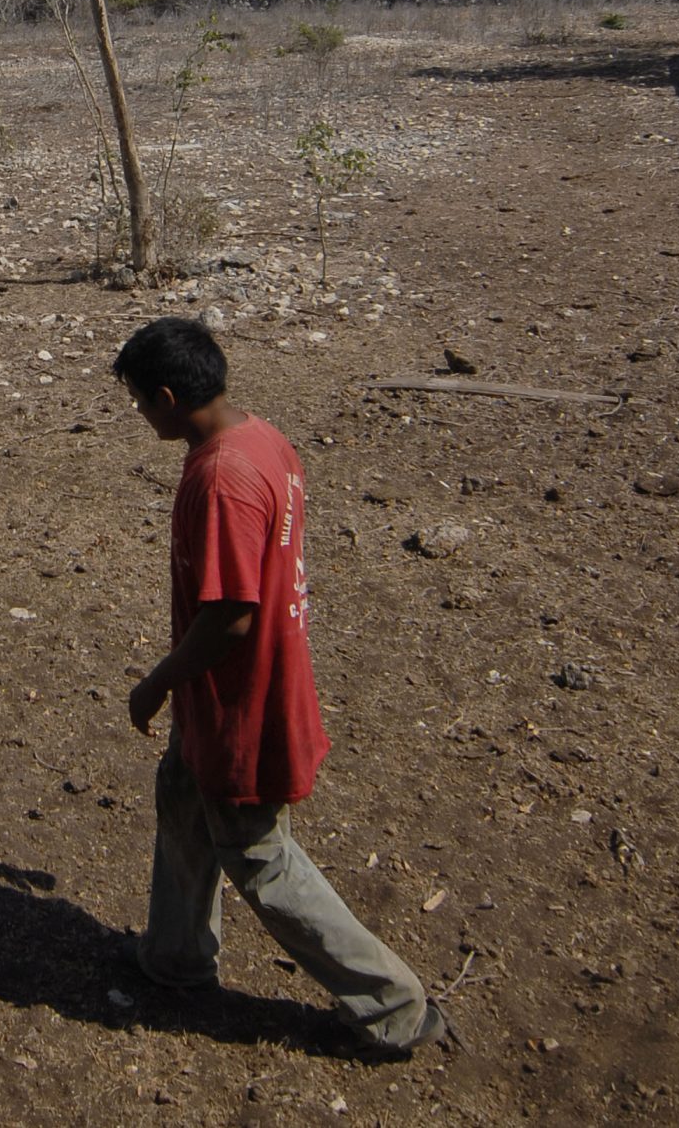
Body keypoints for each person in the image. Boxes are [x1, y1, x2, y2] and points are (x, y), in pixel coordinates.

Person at [112, 315, 449, 1061]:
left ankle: (394, 1003)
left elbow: (231, 616)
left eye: (139, 402)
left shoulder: (224, 476)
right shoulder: (257, 437)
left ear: (168, 397)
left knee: (262, 857)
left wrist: (156, 681)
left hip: (242, 701)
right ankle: (174, 956)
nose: (139, 415)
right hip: (225, 695)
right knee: (181, 797)